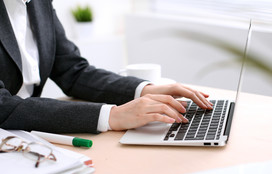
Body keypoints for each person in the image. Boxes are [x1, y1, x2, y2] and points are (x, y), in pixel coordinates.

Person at [0, 0, 213, 134]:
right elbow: (3, 105)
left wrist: (144, 90)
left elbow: (72, 71)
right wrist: (111, 115)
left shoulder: (38, 4)